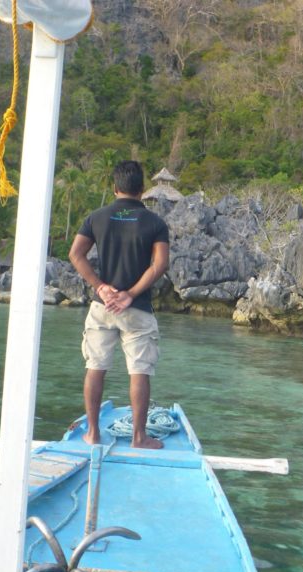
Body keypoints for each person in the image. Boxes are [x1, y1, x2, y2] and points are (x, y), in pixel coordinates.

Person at [69, 160, 169, 448]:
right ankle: (139, 437)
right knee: (140, 371)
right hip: (136, 308)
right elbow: (160, 264)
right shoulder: (155, 223)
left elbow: (76, 254)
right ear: (141, 190)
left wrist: (101, 287)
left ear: (115, 188)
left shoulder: (96, 217)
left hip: (103, 306)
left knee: (95, 367)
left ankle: (93, 433)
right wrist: (131, 293)